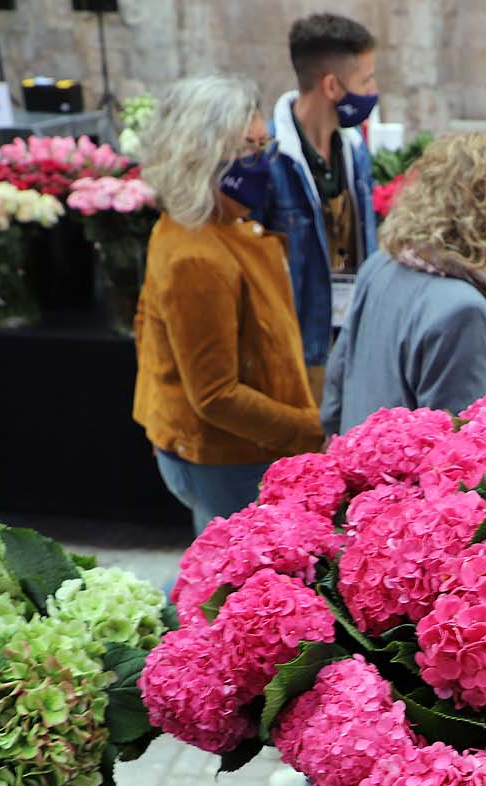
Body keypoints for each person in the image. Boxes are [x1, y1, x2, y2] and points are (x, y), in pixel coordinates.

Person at [132, 75, 320, 535]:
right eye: (247, 149)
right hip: (232, 458)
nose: (262, 162)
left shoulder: (210, 222)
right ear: (200, 156)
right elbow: (216, 395)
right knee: (231, 587)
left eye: (264, 145)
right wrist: (311, 430)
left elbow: (147, 325)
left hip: (232, 449)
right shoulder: (197, 254)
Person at [322, 133, 486, 435]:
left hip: (363, 470)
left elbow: (336, 391)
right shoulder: (464, 310)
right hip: (409, 479)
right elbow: (456, 456)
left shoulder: (382, 265)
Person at [257, 14, 378, 403]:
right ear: (331, 85)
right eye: (367, 80)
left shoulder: (355, 149)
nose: (374, 91)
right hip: (300, 345)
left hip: (353, 337)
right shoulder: (269, 158)